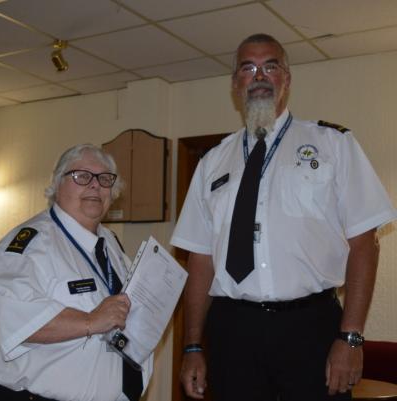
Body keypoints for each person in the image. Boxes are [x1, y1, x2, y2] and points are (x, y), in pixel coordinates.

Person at [170, 33, 397, 401]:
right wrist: (192, 347)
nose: (259, 75)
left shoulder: (332, 145)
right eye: (248, 68)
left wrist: (351, 337)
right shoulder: (212, 162)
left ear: (286, 80)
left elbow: (364, 245)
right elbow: (200, 260)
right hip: (233, 329)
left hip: (311, 327)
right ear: (235, 84)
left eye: (270, 66)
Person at [0, 144, 153, 401]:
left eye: (104, 179)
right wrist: (91, 321)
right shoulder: (31, 244)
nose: (95, 186)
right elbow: (7, 317)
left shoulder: (110, 242)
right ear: (57, 185)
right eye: (81, 176)